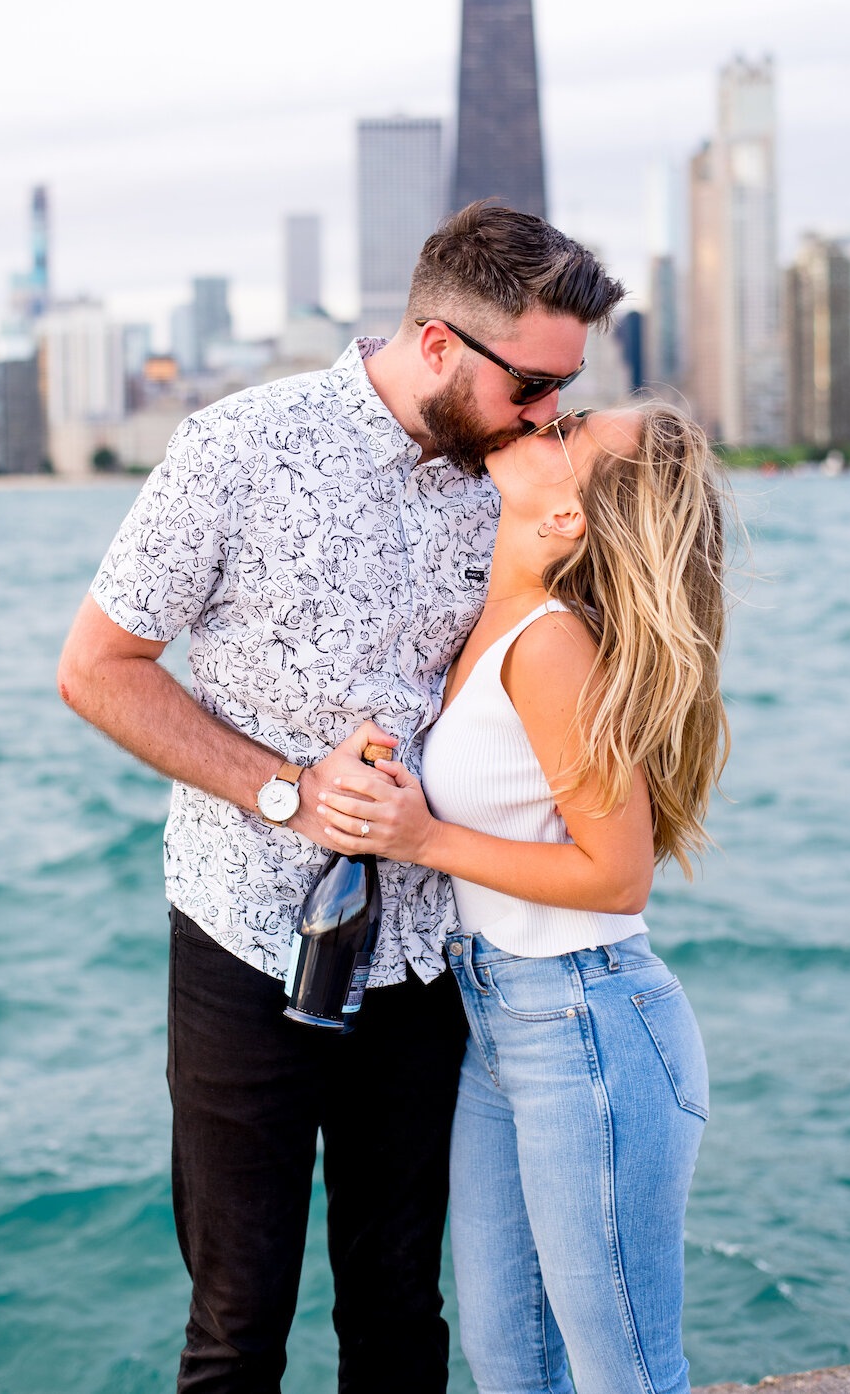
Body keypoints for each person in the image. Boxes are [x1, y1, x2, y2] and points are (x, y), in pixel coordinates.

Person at [56, 200, 626, 1394]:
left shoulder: (520, 479)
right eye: (531, 385)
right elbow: (95, 668)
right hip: (242, 941)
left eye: (563, 391)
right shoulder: (236, 447)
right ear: (435, 344)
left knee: (399, 1315)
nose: (549, 418)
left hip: (430, 952)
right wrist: (284, 791)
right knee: (236, 1323)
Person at [314, 401, 729, 1394]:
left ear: (568, 518)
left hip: (584, 1021)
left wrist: (424, 836)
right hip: (499, 1023)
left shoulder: (549, 647)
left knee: (623, 1373)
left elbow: (617, 872)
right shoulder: (490, 620)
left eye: (568, 431)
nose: (545, 421)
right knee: (510, 1365)